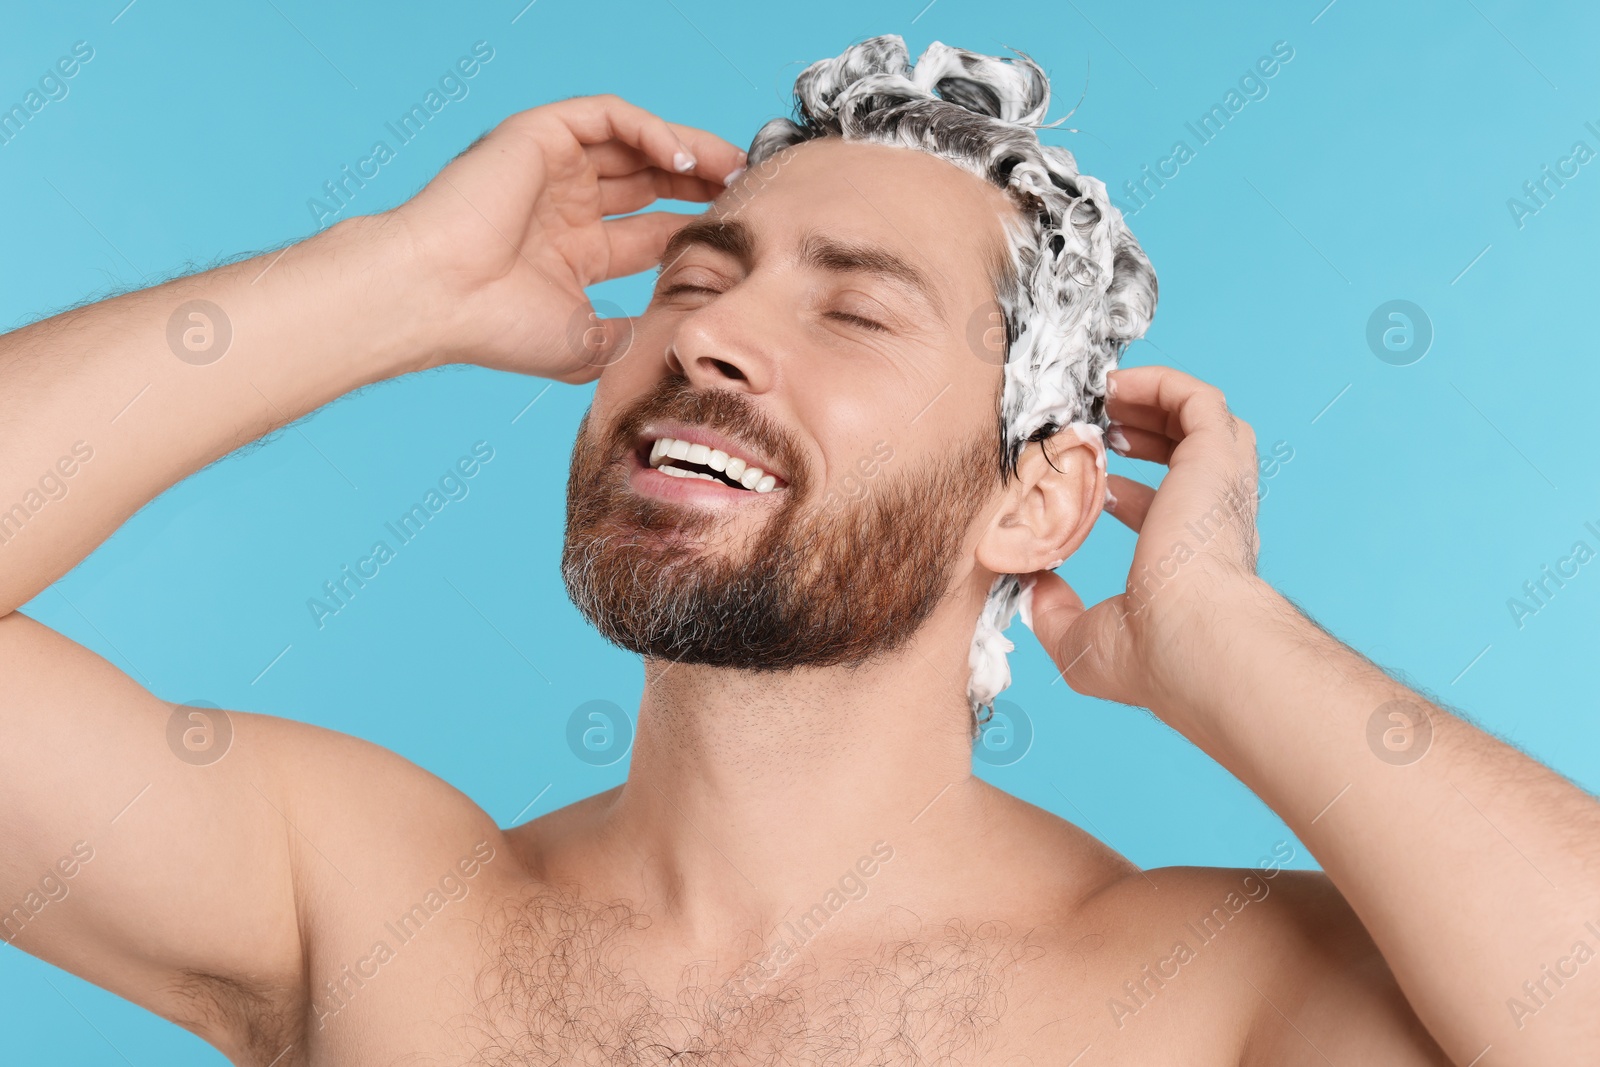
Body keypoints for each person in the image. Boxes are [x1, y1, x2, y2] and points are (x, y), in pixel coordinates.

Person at [1, 34, 1596, 1067]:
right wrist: (390, 280)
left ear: (1033, 500)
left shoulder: (1201, 1004)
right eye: (695, 284)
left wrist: (1234, 641)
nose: (711, 344)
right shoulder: (362, 908)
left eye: (853, 308)